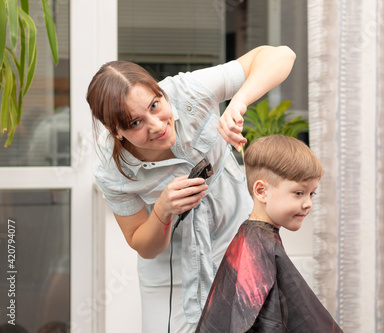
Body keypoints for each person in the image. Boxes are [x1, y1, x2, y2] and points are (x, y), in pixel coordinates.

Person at [86, 46, 296, 333]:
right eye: (136, 123)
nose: (157, 124)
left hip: (236, 244)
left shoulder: (189, 92)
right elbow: (143, 245)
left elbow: (282, 55)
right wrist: (163, 210)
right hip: (171, 275)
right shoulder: (112, 170)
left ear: (160, 93)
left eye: (155, 105)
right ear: (116, 132)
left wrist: (238, 102)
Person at [195, 135, 343, 333]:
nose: (308, 203)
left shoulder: (254, 238)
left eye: (311, 193)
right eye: (299, 193)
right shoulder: (258, 246)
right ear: (261, 191)